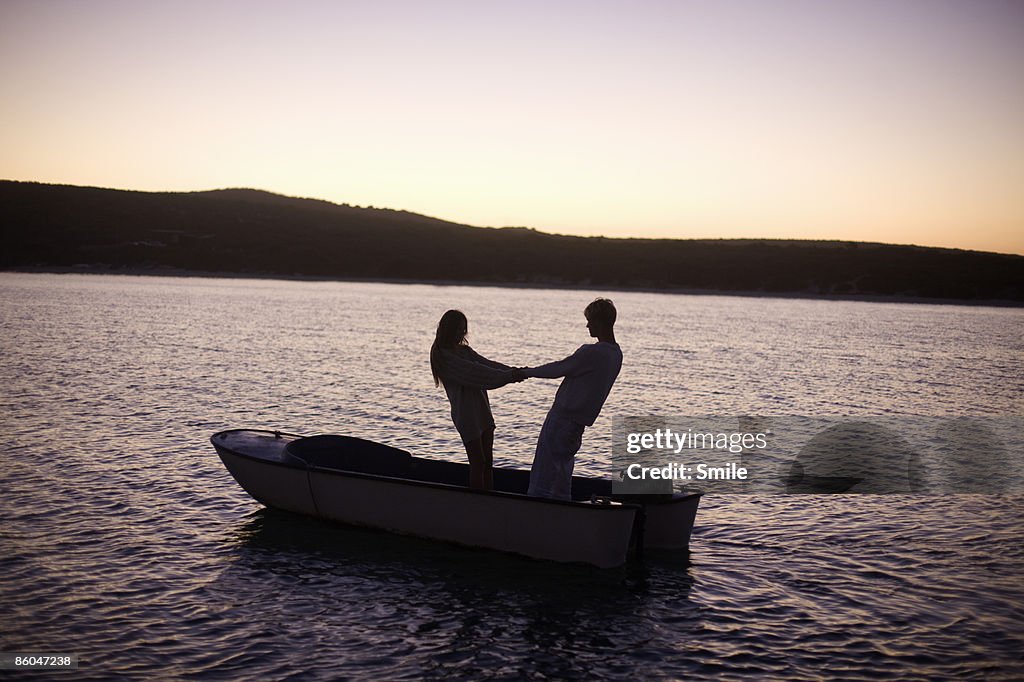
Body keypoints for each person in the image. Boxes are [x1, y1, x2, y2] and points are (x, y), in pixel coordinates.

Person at [523, 298, 622, 500]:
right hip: (577, 425)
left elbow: (559, 368)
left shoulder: (592, 352)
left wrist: (527, 372)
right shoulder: (616, 354)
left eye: (590, 321)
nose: (587, 325)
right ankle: (562, 515)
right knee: (562, 477)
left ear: (600, 323)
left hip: (561, 420)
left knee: (543, 475)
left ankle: (535, 514)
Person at [430, 309, 524, 490]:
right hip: (465, 413)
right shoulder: (443, 355)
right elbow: (475, 371)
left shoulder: (464, 351)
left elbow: (486, 364)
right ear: (448, 329)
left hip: (481, 409)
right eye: (457, 329)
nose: (461, 333)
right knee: (478, 462)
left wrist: (513, 371)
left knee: (488, 461)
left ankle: (490, 496)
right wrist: (510, 375)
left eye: (463, 329)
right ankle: (479, 500)